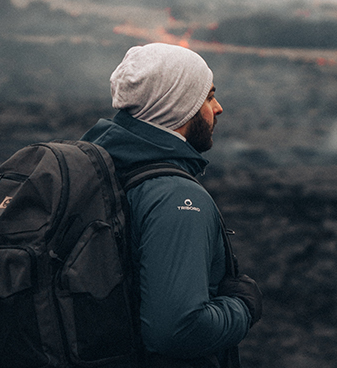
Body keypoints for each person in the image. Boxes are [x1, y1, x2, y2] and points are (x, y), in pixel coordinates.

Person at [81, 42, 262, 368]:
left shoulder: (99, 171)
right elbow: (177, 331)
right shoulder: (175, 197)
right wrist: (243, 306)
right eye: (207, 97)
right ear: (179, 106)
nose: (218, 108)